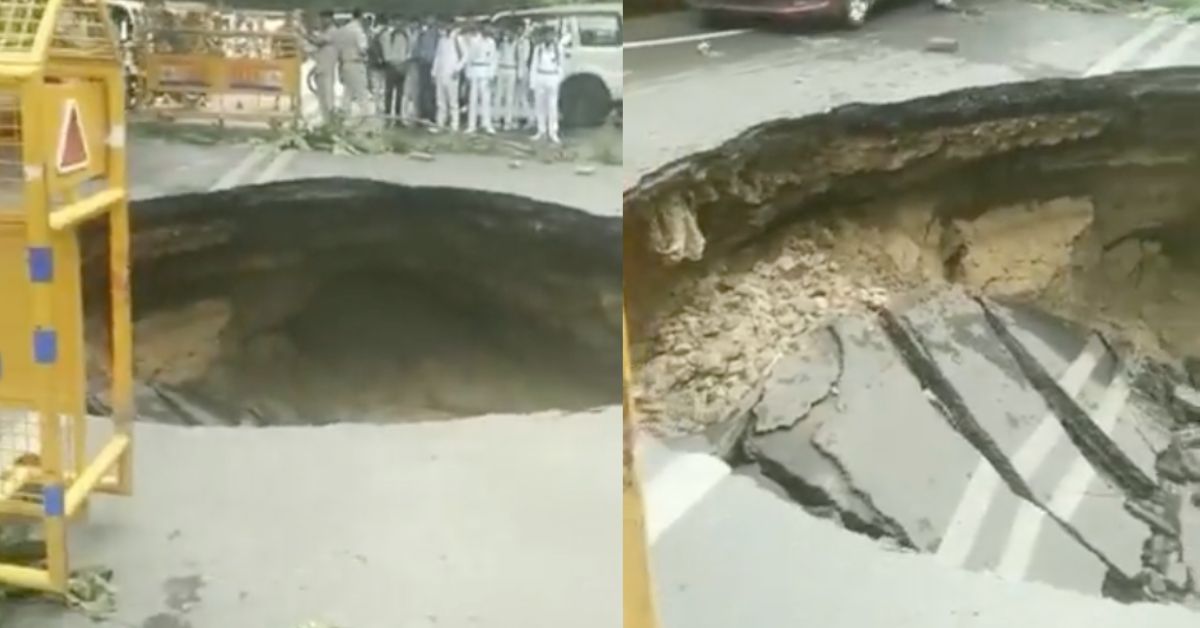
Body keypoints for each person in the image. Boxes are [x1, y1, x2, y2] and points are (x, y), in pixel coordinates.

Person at [528, 26, 565, 144]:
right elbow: (533, 65)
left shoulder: (558, 48)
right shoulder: (539, 48)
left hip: (552, 77)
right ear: (544, 36)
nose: (549, 37)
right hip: (540, 76)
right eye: (547, 35)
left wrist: (558, 79)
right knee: (540, 105)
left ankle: (553, 132)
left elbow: (562, 65)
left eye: (551, 35)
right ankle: (541, 130)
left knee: (552, 106)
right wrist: (532, 83)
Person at [334, 9, 372, 117]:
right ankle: (366, 115)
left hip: (346, 63)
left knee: (348, 91)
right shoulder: (358, 30)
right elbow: (362, 49)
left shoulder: (344, 29)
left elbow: (339, 48)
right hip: (356, 63)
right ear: (361, 17)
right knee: (362, 91)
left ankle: (343, 113)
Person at [304, 10, 339, 123]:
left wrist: (305, 34)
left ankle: (331, 122)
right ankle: (326, 123)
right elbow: (315, 47)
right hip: (320, 69)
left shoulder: (333, 31)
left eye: (324, 18)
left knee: (328, 99)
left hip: (327, 70)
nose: (322, 21)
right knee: (322, 99)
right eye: (321, 19)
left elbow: (317, 42)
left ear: (330, 18)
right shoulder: (324, 32)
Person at [431, 20, 465, 132]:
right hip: (441, 73)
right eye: (445, 25)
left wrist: (457, 69)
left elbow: (465, 56)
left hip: (452, 74)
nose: (447, 27)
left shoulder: (457, 38)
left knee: (453, 101)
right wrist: (434, 73)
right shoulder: (442, 39)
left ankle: (454, 125)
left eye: (449, 25)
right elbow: (437, 57)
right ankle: (440, 124)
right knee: (440, 101)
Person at [464, 23, 498, 134]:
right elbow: (468, 57)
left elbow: (493, 59)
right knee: (473, 99)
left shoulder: (491, 42)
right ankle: (471, 125)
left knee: (486, 100)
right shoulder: (474, 40)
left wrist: (492, 74)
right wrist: (467, 73)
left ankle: (486, 124)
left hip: (485, 70)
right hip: (474, 69)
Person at [381, 16, 410, 124]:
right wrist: (394, 64)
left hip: (402, 66)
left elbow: (408, 50)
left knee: (400, 94)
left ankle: (398, 118)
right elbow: (386, 54)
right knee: (388, 93)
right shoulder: (387, 35)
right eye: (396, 22)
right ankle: (387, 118)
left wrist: (404, 64)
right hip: (391, 66)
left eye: (400, 22)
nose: (398, 24)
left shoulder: (405, 35)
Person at [494, 24, 522, 131]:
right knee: (499, 95)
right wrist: (496, 71)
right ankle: (496, 119)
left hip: (512, 69)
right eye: (506, 33)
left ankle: (508, 121)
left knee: (510, 97)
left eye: (510, 33)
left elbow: (519, 59)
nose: (508, 35)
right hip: (502, 68)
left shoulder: (517, 44)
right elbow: (497, 56)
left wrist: (519, 73)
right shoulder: (501, 44)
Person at [414, 17, 440, 122]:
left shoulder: (438, 35)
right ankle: (422, 115)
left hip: (434, 65)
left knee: (433, 91)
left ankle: (432, 115)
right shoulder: (421, 34)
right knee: (422, 90)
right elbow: (417, 49)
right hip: (423, 64)